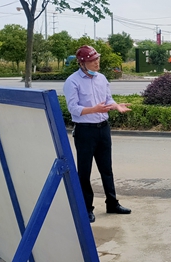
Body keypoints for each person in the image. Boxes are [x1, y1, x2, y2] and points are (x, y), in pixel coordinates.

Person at [63, 45, 132, 223]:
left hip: (103, 128)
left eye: (97, 58)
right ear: (82, 63)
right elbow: (73, 108)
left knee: (106, 168)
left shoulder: (101, 78)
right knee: (84, 171)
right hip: (85, 131)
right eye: (92, 60)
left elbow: (108, 99)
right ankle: (86, 208)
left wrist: (116, 106)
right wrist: (94, 109)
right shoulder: (72, 81)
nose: (96, 62)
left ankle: (112, 203)